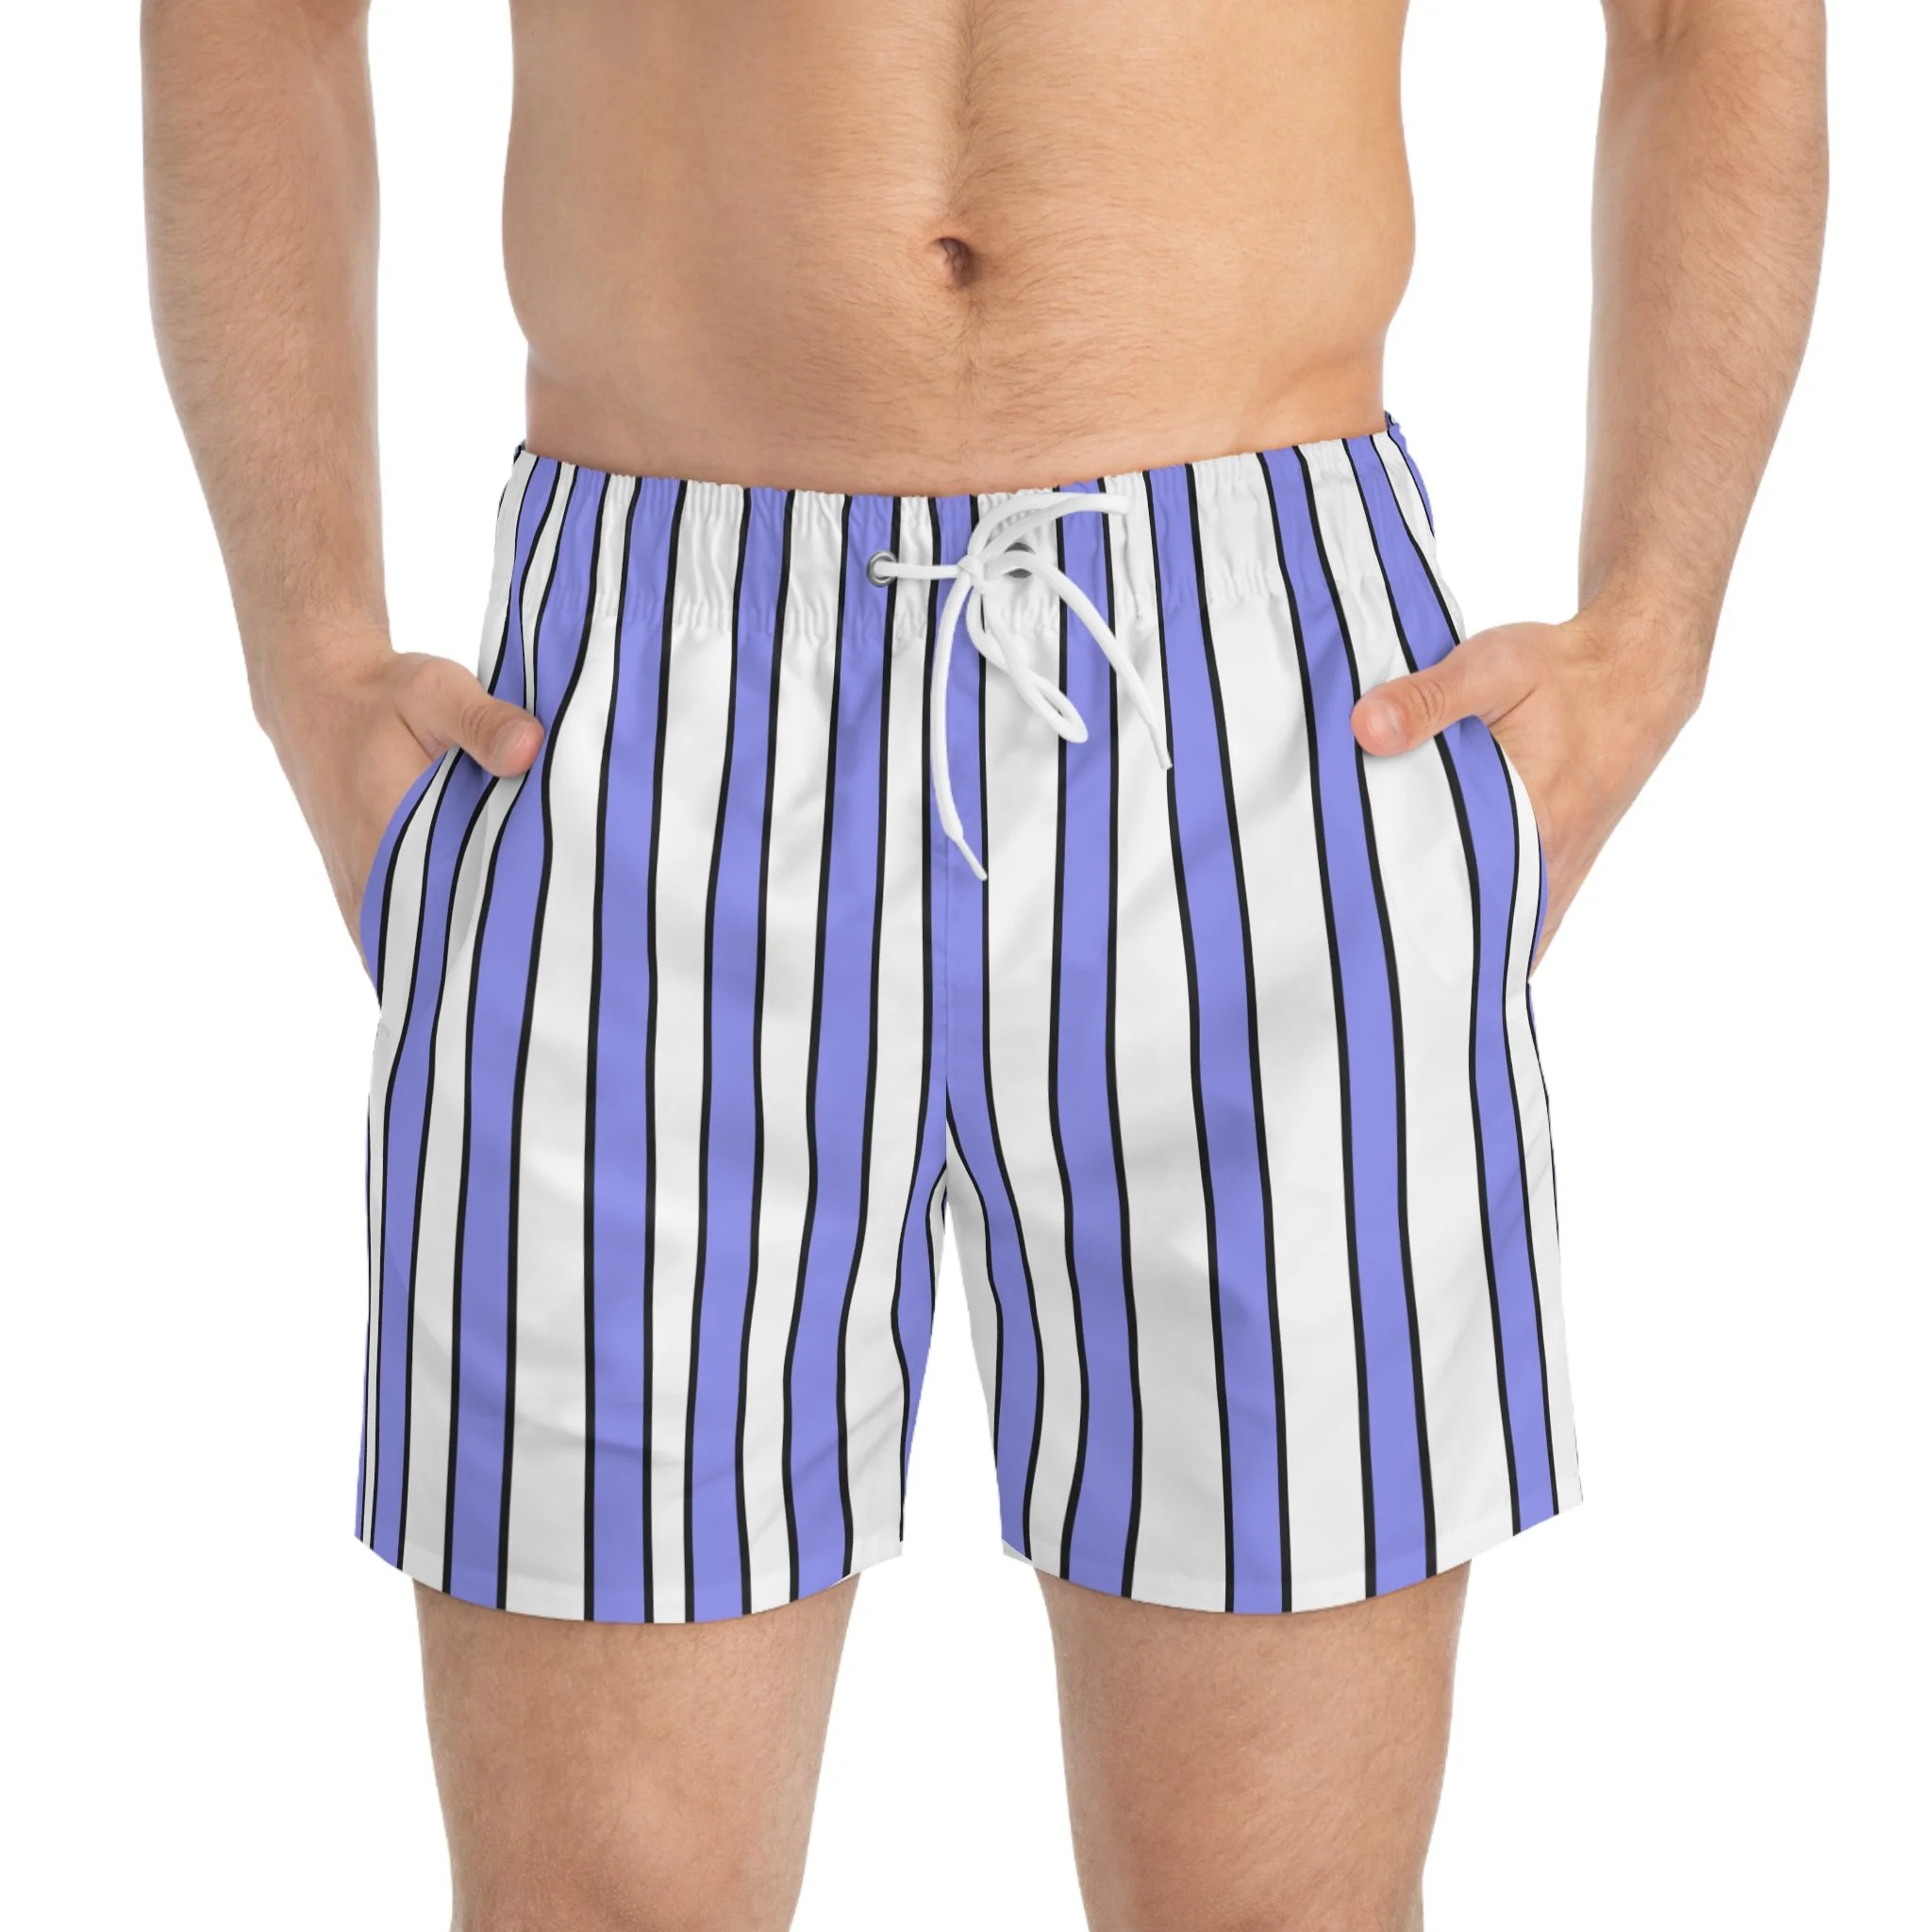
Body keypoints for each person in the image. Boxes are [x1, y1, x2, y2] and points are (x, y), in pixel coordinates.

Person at [142, 1, 1826, 1925]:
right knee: (598, 1898)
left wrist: (1655, 624)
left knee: (1275, 1906)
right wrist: (306, 649)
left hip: (1267, 690)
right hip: (649, 687)